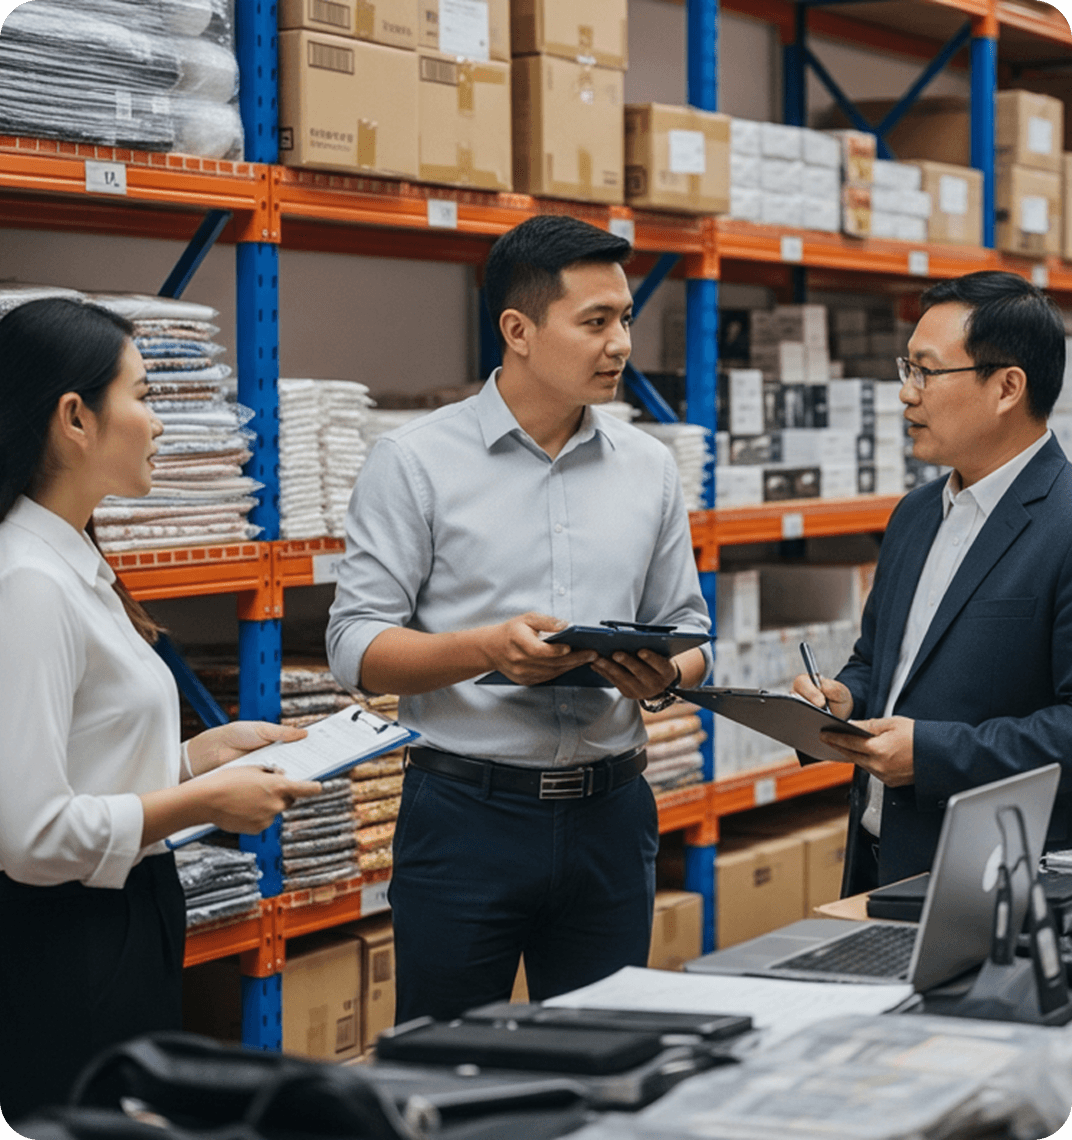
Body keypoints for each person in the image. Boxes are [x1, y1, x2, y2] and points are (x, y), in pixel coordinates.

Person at [327, 215, 712, 1022]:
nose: (621, 346)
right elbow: (354, 646)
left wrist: (664, 674)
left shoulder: (649, 469)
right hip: (468, 818)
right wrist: (485, 651)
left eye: (627, 320)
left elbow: (689, 629)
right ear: (519, 330)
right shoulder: (415, 463)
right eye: (596, 322)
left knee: (601, 1070)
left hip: (614, 817)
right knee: (447, 1068)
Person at [0, 298, 322, 1123]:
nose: (159, 423)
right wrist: (202, 804)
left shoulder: (70, 561)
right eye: (143, 395)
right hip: (67, 941)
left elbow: (80, 759)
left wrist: (196, 759)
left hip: (118, 920)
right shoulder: (29, 585)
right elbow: (30, 836)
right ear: (75, 417)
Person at [793, 270, 1072, 895]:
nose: (905, 395)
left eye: (926, 371)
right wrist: (845, 699)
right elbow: (880, 663)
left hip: (999, 884)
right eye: (906, 369)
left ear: (1006, 387)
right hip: (878, 860)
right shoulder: (916, 515)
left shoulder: (1065, 523)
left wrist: (934, 754)